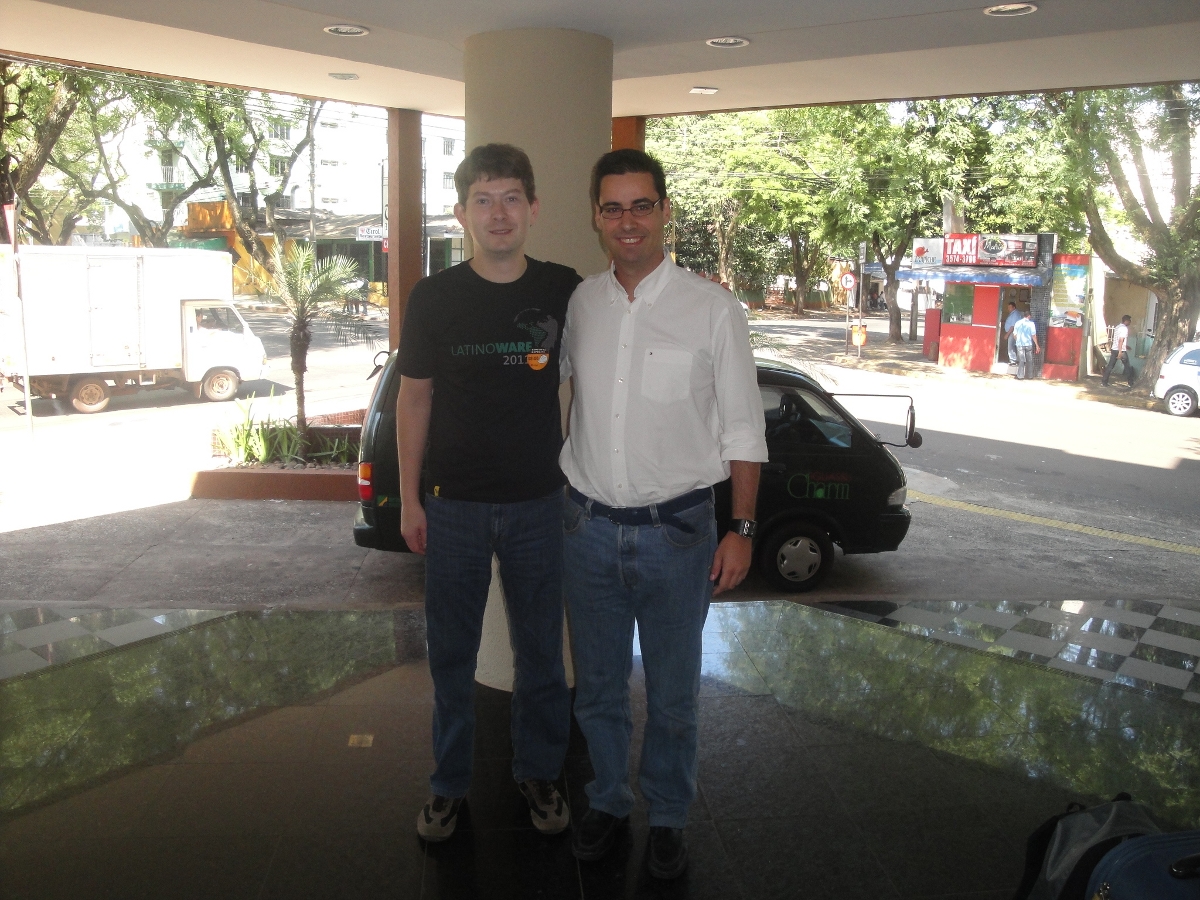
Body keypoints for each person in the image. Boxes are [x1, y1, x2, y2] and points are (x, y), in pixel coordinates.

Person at [560, 149, 767, 880]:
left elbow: (744, 429)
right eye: (613, 207)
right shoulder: (581, 304)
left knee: (675, 697)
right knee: (599, 691)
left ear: (665, 211)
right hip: (586, 530)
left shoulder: (713, 309)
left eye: (641, 205)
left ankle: (670, 815)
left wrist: (742, 529)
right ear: (596, 216)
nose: (628, 222)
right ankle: (609, 801)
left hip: (679, 535)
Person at [396, 143, 579, 842]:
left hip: (540, 503)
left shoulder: (563, 289)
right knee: (451, 657)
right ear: (461, 213)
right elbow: (415, 400)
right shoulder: (434, 297)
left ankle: (539, 772)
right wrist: (410, 499)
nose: (498, 214)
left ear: (533, 209)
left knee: (541, 656)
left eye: (510, 199)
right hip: (454, 506)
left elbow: (600, 370)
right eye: (483, 200)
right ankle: (448, 784)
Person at [1102, 315, 1136, 387]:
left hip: (1114, 349)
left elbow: (1118, 340)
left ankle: (1104, 382)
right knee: (1127, 366)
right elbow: (1121, 340)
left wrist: (1126, 346)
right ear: (1126, 321)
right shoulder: (1124, 328)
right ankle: (1130, 383)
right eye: (1129, 321)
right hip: (1120, 350)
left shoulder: (1117, 327)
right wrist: (1120, 352)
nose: (1130, 322)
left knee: (1110, 366)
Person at [1013, 308, 1040, 380]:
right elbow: (1033, 335)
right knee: (1029, 360)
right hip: (1028, 344)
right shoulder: (1031, 324)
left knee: (1021, 360)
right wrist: (1037, 345)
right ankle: (1030, 375)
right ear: (1029, 316)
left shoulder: (1018, 323)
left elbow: (1014, 334)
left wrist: (1017, 340)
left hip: (1020, 344)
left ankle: (1020, 376)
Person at [1003, 301, 1022, 366]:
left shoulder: (1015, 314)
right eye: (1008, 307)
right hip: (1012, 332)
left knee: (1010, 346)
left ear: (1014, 307)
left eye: (1010, 307)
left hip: (1013, 332)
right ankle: (1015, 360)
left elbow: (1013, 326)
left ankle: (1013, 360)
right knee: (1013, 346)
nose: (1008, 309)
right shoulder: (1013, 313)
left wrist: (1007, 334)